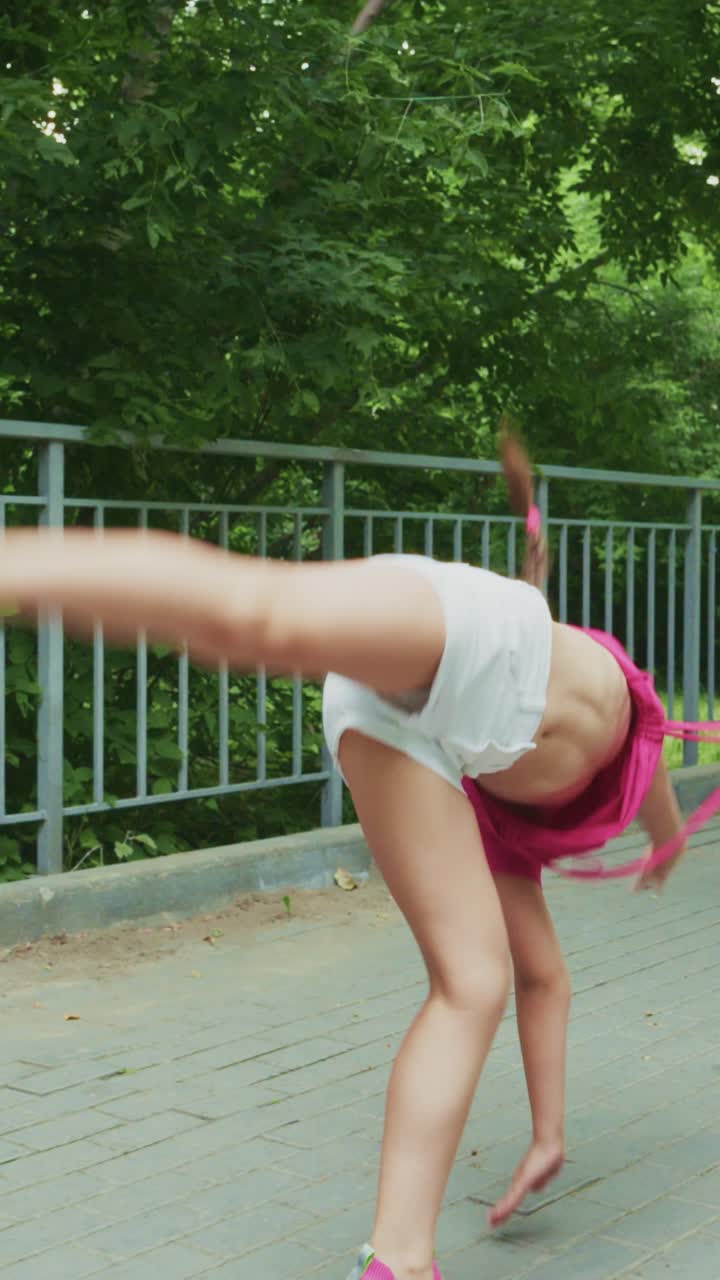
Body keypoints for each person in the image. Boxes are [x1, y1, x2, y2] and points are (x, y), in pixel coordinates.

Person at [0, 434, 713, 1280]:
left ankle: (398, 1261)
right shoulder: (616, 703)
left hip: (405, 726)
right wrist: (667, 838)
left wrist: (548, 1135)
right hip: (486, 638)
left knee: (472, 982)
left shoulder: (499, 829)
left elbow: (541, 979)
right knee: (254, 618)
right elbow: (654, 734)